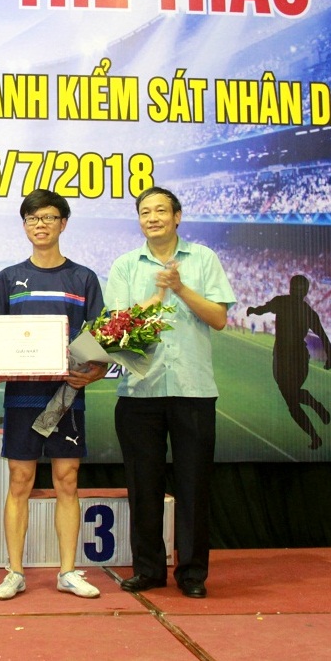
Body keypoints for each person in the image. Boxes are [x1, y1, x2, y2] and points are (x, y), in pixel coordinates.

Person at [104, 186, 234, 599]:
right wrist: (156, 296)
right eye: (145, 212)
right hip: (139, 391)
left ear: (177, 216)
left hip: (193, 390)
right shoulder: (126, 265)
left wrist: (180, 288)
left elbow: (218, 318)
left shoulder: (203, 259)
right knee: (143, 486)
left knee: (194, 485)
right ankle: (148, 570)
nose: (153, 217)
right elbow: (115, 329)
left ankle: (192, 573)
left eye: (161, 210)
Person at [0, 189, 108, 600]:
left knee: (67, 480)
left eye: (49, 217)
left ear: (63, 223)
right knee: (20, 480)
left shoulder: (83, 278)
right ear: (24, 225)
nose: (41, 225)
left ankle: (67, 571)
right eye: (33, 218)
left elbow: (100, 342)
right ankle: (14, 571)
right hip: (21, 396)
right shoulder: (8, 278)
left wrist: (95, 373)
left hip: (67, 397)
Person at [247, 274, 331, 450]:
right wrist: (330, 358)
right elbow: (323, 336)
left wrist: (253, 310)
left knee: (291, 401)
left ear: (290, 288)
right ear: (306, 292)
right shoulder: (308, 312)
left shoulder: (281, 302)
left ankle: (315, 432)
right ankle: (315, 411)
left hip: (283, 359)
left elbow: (263, 309)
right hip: (300, 359)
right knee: (292, 396)